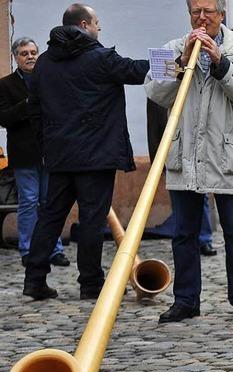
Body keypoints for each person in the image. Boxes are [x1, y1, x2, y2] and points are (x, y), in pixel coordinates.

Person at [145, 0, 233, 322]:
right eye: (195, 12)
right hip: (186, 153)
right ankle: (186, 300)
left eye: (208, 12)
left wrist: (221, 64)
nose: (201, 18)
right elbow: (155, 92)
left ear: (222, 15)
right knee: (184, 233)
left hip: (228, 155)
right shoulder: (170, 50)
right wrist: (183, 61)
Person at [22, 3, 149, 301]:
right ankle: (90, 284)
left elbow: (34, 111)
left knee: (51, 217)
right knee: (92, 220)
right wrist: (179, 59)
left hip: (60, 155)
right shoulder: (101, 58)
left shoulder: (44, 64)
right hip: (96, 156)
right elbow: (137, 70)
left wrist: (48, 144)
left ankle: (34, 279)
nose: (99, 29)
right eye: (96, 23)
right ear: (83, 24)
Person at [0, 38, 70, 268]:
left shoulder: (48, 80)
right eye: (23, 53)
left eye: (33, 52)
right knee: (29, 202)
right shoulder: (6, 85)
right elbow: (4, 118)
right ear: (15, 57)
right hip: (24, 153)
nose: (30, 56)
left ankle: (54, 249)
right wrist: (29, 103)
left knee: (50, 203)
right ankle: (28, 249)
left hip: (50, 151)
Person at [146, 98, 216, 256]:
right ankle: (185, 239)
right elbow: (153, 129)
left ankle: (204, 240)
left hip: (194, 150)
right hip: (171, 154)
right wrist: (156, 160)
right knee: (178, 201)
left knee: (201, 195)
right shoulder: (157, 93)